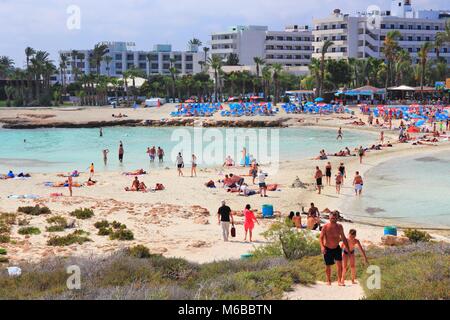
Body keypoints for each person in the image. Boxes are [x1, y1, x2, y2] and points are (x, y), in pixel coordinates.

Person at [320, 212, 350, 286]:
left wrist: (348, 248)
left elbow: (343, 238)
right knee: (328, 266)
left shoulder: (340, 226)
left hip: (336, 248)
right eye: (332, 218)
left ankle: (339, 281)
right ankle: (328, 280)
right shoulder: (325, 227)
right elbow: (320, 238)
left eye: (335, 218)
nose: (333, 219)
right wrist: (322, 246)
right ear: (329, 218)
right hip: (327, 248)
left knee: (340, 265)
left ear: (337, 218)